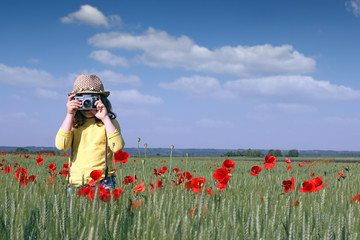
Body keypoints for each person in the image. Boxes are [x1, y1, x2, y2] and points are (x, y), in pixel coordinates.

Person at [55, 74, 124, 190]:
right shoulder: (72, 123)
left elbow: (117, 147)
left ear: (102, 100)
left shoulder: (108, 123)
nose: (87, 104)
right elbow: (61, 146)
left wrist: (105, 118)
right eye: (82, 99)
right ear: (74, 100)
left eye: (92, 99)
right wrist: (70, 114)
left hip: (103, 181)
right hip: (76, 182)